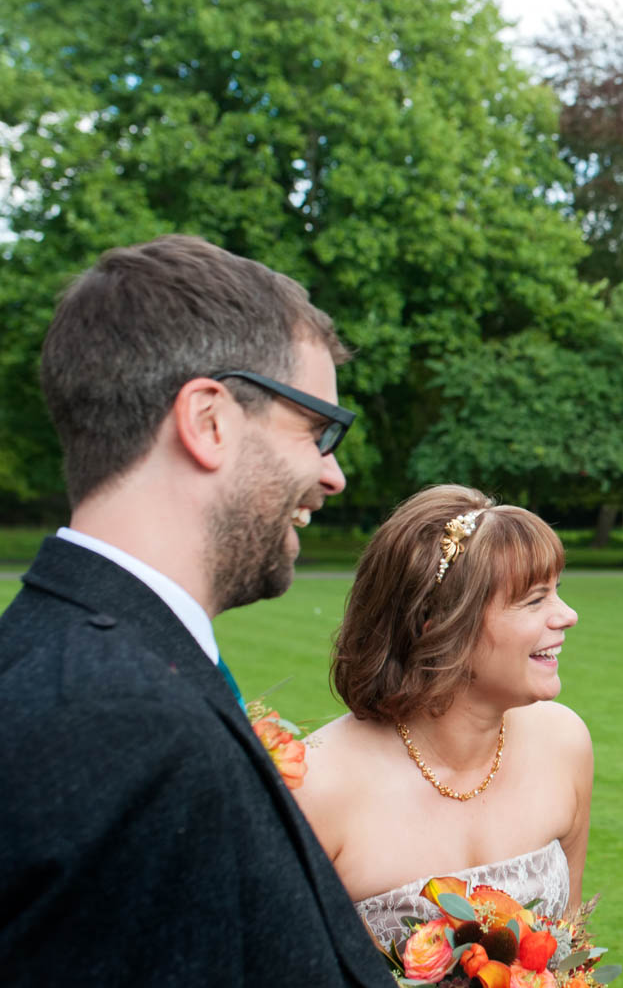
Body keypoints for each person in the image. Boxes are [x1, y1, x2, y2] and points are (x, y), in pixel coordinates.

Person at [0, 235, 392, 984]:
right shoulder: (121, 723)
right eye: (318, 430)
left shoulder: (86, 662)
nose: (332, 474)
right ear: (209, 420)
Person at [293, 485, 593, 950]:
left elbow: (572, 945)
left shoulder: (563, 743)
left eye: (558, 592)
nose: (568, 615)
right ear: (438, 623)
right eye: (534, 600)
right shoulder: (317, 788)